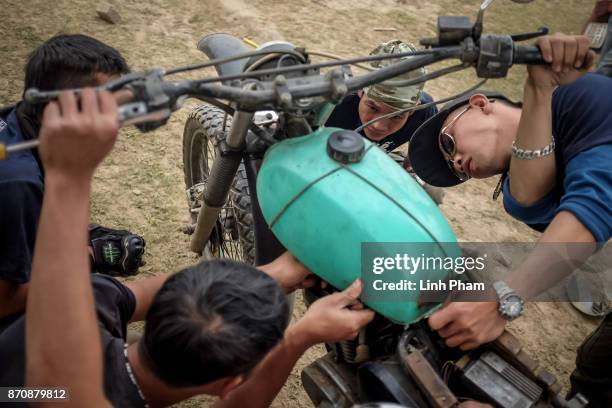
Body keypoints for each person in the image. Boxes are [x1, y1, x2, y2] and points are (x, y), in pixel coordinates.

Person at [5, 88, 375, 408]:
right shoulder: (65, 371)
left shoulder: (86, 305)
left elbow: (140, 292)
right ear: (230, 383)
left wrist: (273, 275)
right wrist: (299, 336)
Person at [408, 33, 611, 407]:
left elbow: (591, 212)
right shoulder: (519, 199)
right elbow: (533, 192)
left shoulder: (583, 96)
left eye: (449, 144)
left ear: (479, 103)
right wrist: (538, 88)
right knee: (593, 372)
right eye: (457, 171)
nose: (455, 163)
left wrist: (503, 299)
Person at [0, 34, 145, 330]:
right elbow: (3, 303)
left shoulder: (14, 120)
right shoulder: (20, 184)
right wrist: (87, 260)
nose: (112, 123)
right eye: (104, 108)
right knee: (86, 304)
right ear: (56, 106)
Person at [326, 40, 437, 153]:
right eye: (373, 108)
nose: (378, 126)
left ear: (412, 110)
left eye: (396, 116)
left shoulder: (424, 114)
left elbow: (422, 154)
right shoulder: (332, 104)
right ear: (361, 91)